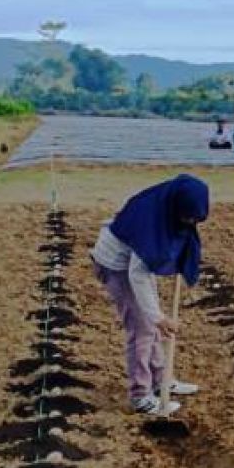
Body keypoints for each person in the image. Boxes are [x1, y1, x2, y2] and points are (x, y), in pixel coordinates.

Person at [90, 174, 209, 416]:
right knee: (142, 328)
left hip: (132, 262)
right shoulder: (151, 222)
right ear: (178, 207)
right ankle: (140, 395)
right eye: (186, 217)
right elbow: (138, 274)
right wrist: (158, 317)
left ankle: (162, 380)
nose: (189, 222)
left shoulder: (168, 205)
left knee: (150, 324)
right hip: (116, 265)